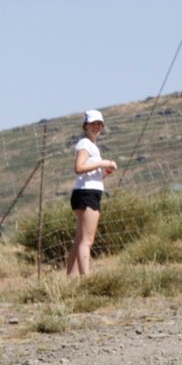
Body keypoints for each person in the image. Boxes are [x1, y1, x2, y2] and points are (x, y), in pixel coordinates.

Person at [66, 109, 117, 277]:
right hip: (87, 194)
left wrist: (104, 172)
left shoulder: (91, 146)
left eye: (99, 124)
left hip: (87, 192)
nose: (96, 127)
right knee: (87, 241)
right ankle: (86, 279)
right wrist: (103, 162)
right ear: (85, 126)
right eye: (92, 124)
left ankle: (71, 278)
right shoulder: (85, 145)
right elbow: (79, 168)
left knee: (80, 239)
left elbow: (89, 173)